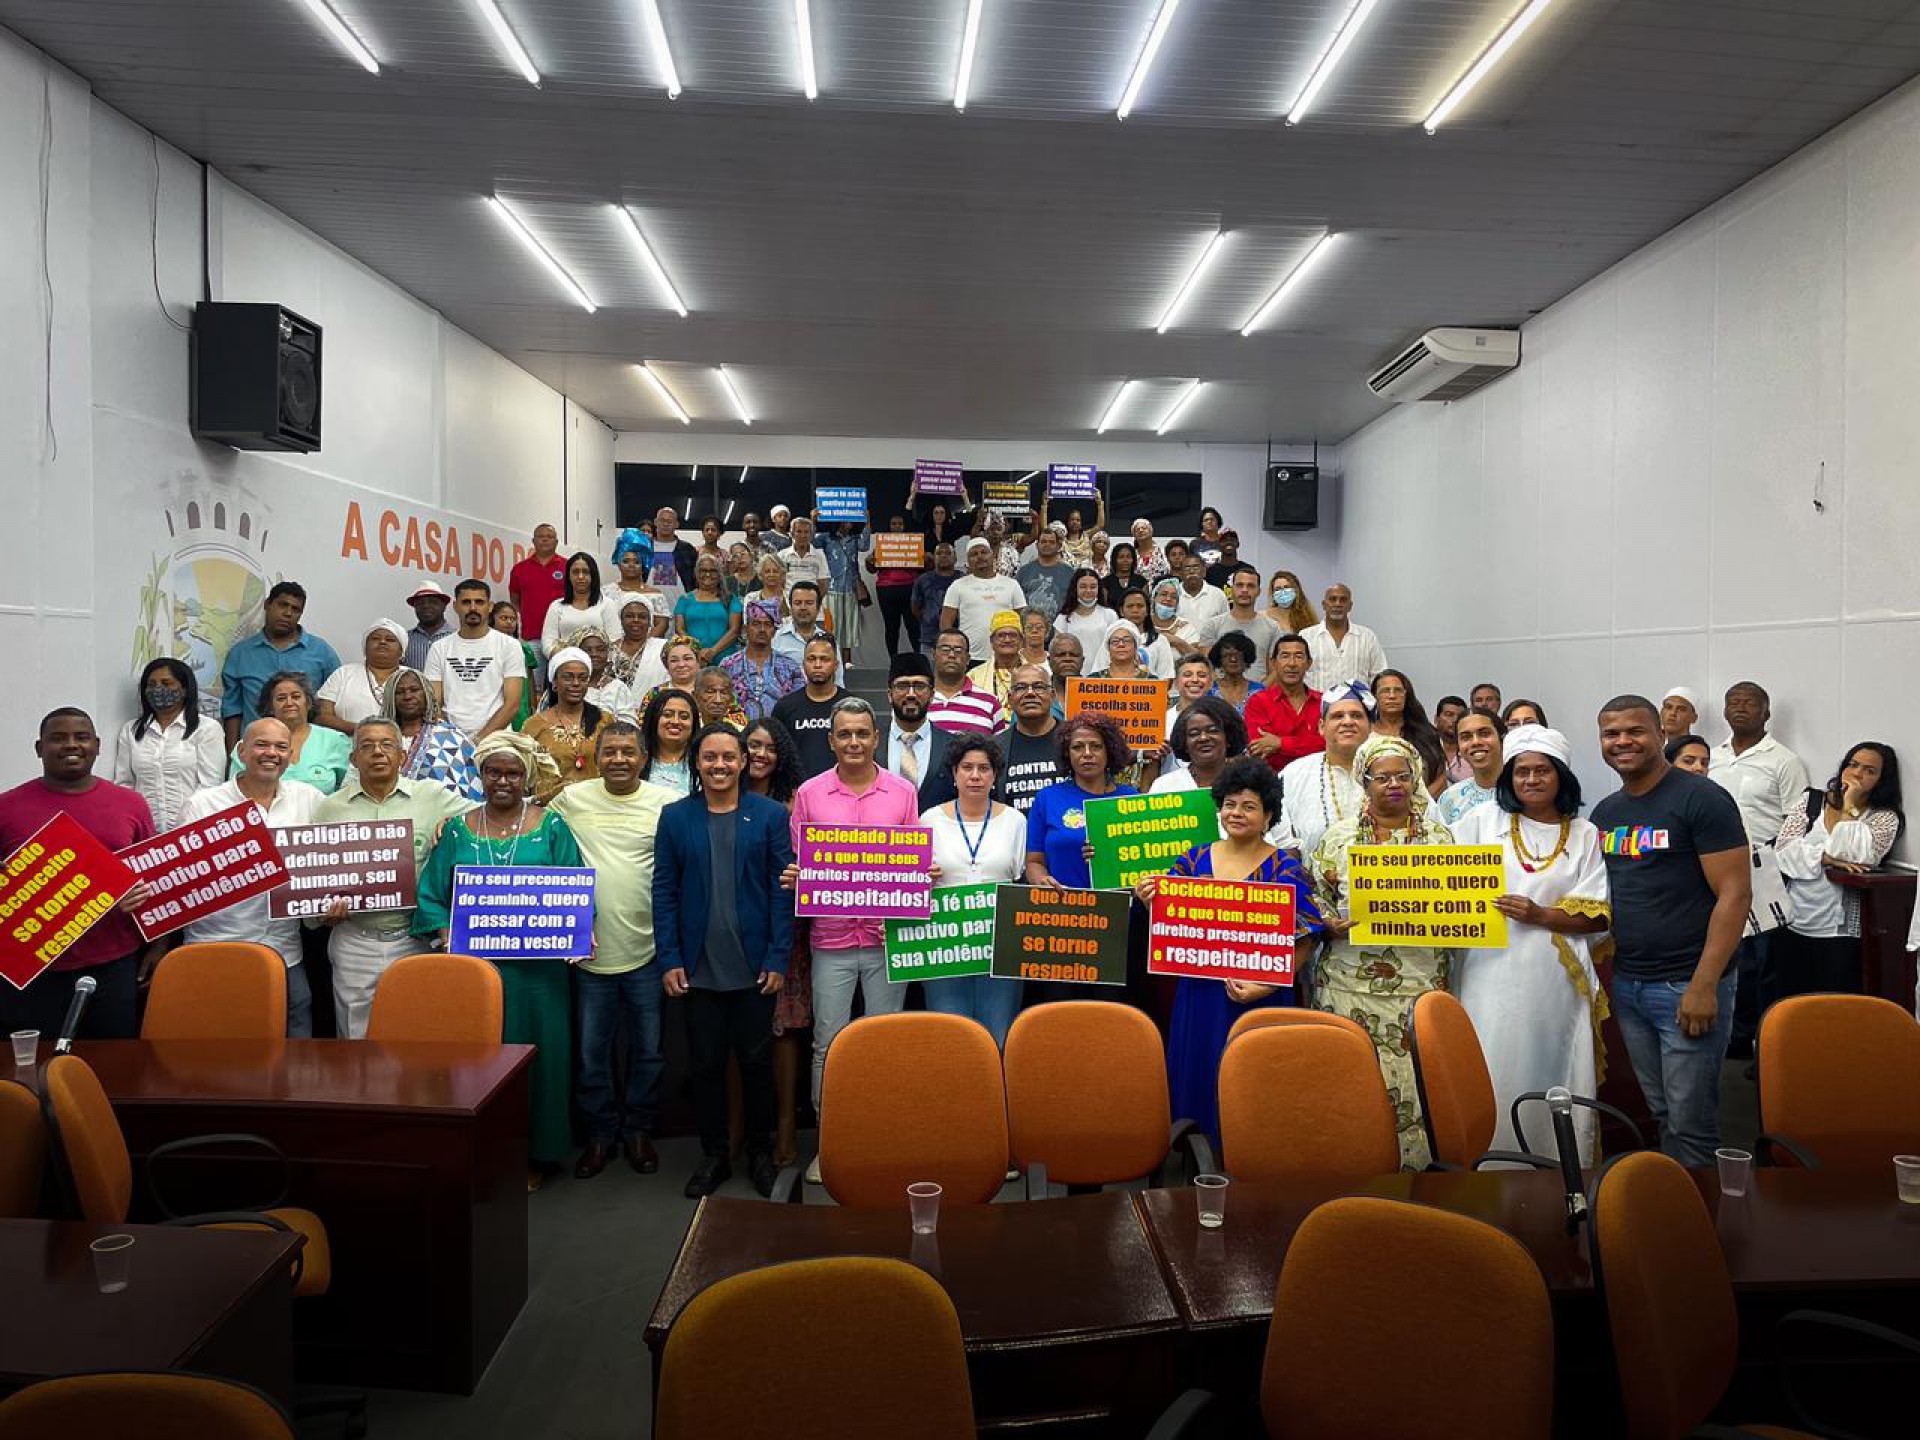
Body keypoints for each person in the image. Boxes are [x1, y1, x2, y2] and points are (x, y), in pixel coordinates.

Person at [413, 731, 580, 1189]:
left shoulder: (552, 826)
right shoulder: (459, 828)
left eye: (512, 772)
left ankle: (535, 1155)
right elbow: (430, 896)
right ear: (480, 774)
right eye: (493, 771)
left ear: (526, 777)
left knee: (540, 1063)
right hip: (476, 974)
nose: (502, 780)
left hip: (540, 977)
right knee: (480, 1064)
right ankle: (487, 1153)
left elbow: (576, 890)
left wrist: (577, 932)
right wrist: (444, 930)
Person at [1591, 694, 1751, 1167]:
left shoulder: (1701, 798)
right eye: (1611, 733)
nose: (1623, 741)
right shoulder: (1605, 813)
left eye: (1635, 731)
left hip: (1687, 983)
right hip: (1631, 984)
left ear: (1662, 735)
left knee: (1691, 1124)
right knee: (1661, 1112)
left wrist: (1704, 986)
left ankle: (1701, 1231)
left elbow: (1735, 896)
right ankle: (1675, 1213)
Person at [1452, 726, 1613, 1163]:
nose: (1531, 780)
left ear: (1561, 776)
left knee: (1551, 1063)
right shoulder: (1480, 822)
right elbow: (1440, 879)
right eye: (1521, 772)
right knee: (1489, 1060)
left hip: (1554, 981)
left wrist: (1540, 915)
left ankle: (1556, 1162)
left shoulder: (1582, 832)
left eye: (1543, 771)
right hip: (1487, 971)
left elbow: (1597, 911)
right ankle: (1486, 1162)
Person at [1139, 758, 1321, 1140]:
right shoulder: (1193, 859)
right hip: (1201, 994)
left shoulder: (1285, 869)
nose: (1237, 813)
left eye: (1249, 806)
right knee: (1199, 1073)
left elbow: (1304, 940)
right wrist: (1149, 899)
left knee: (1254, 1088)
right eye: (1230, 804)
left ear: (1269, 814)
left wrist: (1271, 984)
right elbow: (1170, 923)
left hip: (1261, 995)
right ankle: (1193, 1156)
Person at [786, 698, 923, 1182]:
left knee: (883, 1042)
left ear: (875, 737)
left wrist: (918, 875)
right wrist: (798, 876)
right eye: (844, 734)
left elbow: (911, 861)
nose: (854, 743)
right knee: (829, 1045)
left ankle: (882, 1140)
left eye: (862, 733)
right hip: (832, 937)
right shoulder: (809, 793)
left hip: (888, 937)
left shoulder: (902, 792)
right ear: (830, 740)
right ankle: (832, 1145)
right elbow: (805, 862)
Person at [654, 723, 794, 1197]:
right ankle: (714, 1156)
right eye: (709, 757)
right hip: (697, 969)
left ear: (742, 762)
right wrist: (670, 957)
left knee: (757, 1066)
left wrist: (779, 956)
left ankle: (760, 1153)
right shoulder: (675, 817)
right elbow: (664, 892)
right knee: (707, 1067)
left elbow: (782, 893)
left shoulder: (771, 815)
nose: (719, 765)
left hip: (755, 967)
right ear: (697, 762)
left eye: (728, 757)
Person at [1310, 734, 1456, 1170]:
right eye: (1382, 778)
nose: (1393, 785)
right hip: (1347, 981)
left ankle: (1417, 1176)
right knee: (1352, 1078)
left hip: (1418, 980)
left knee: (1416, 1081)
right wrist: (1325, 923)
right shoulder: (1336, 839)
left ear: (1415, 780)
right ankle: (1351, 1169)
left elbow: (1459, 902)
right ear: (1364, 782)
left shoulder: (1441, 839)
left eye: (1403, 776)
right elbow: (1314, 899)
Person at [547, 721, 674, 1179]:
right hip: (587, 952)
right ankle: (600, 1135)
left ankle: (638, 1131)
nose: (619, 759)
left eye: (628, 752)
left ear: (644, 758)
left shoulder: (666, 803)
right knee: (591, 1054)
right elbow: (525, 819)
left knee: (650, 1051)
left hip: (649, 949)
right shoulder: (572, 799)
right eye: (610, 752)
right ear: (596, 757)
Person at [0, 709, 157, 1040]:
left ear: (97, 746)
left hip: (114, 961)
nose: (71, 745)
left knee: (113, 1068)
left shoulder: (130, 804)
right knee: (35, 1074)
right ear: (39, 748)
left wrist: (158, 945)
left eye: (81, 737)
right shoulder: (6, 807)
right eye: (58, 738)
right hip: (33, 969)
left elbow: (154, 875)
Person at [312, 718, 466, 1038]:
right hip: (355, 940)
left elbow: (487, 817)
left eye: (386, 745)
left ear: (402, 756)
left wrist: (454, 821)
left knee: (421, 1035)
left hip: (416, 940)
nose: (377, 753)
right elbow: (312, 879)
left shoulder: (434, 796)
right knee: (356, 1039)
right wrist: (322, 913)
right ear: (354, 760)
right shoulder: (329, 809)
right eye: (366, 746)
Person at [182, 718, 327, 1034]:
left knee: (295, 1036)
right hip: (214, 946)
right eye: (261, 744)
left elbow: (332, 861)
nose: (271, 753)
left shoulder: (311, 799)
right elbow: (176, 879)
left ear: (291, 755)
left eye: (281, 747)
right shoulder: (203, 804)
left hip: (284, 949)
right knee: (220, 1040)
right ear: (241, 751)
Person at [1709, 680, 1809, 1054]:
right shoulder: (1712, 756)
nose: (1740, 708)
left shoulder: (1784, 761)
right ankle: (1728, 1034)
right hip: (1713, 869)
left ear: (1766, 713)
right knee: (1722, 953)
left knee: (1761, 961)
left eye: (1749, 703)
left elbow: (1797, 819)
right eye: (1733, 702)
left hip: (1762, 868)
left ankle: (1760, 1042)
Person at [918, 735, 1030, 1046]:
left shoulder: (1016, 822)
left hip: (1001, 946)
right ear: (954, 774)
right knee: (949, 1035)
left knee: (998, 1033)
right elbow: (913, 886)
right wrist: (921, 880)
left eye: (984, 768)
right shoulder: (929, 820)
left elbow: (1020, 876)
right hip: (943, 945)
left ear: (995, 776)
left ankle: (996, 1095)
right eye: (967, 767)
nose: (975, 775)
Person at [1773, 743, 1904, 997]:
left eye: (1869, 770)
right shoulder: (1812, 801)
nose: (1856, 774)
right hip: (1793, 921)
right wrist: (1824, 858)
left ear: (1882, 780)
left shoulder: (1884, 818)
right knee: (1787, 1003)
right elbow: (1784, 852)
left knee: (1831, 1006)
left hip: (1838, 931)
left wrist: (1848, 806)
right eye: (1852, 765)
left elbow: (1850, 855)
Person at [742, 716, 812, 1165]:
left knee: (785, 1031)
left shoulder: (798, 800)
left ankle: (786, 1129)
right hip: (738, 927)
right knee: (740, 1034)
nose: (759, 754)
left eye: (768, 747)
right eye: (751, 745)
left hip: (787, 925)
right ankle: (739, 1132)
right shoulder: (722, 795)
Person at [220, 581, 341, 751]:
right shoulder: (241, 654)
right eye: (282, 605)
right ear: (267, 605)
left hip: (309, 752)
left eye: (295, 609)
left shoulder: (321, 652)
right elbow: (232, 710)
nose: (288, 613)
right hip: (257, 750)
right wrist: (233, 755)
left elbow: (333, 706)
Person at [1025, 711, 1138, 891]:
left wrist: (1110, 856)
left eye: (1096, 746)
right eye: (1077, 747)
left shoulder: (1130, 798)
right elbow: (1034, 862)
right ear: (1066, 753)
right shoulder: (1047, 798)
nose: (1087, 754)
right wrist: (1043, 881)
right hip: (1060, 909)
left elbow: (1143, 861)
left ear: (1109, 751)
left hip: (1118, 908)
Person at [114, 658, 226, 830]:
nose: (158, 689)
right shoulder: (130, 730)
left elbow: (210, 786)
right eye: (151, 684)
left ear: (185, 689)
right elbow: (124, 784)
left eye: (167, 683)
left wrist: (183, 826)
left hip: (193, 830)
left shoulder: (207, 729)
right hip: (144, 832)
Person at [1273, 681, 1373, 862]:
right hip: (1311, 886)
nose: (1348, 722)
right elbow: (1279, 841)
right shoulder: (1294, 774)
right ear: (1321, 727)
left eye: (1357, 716)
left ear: (1370, 727)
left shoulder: (1393, 772)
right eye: (1337, 716)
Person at [425, 579, 526, 741]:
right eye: (466, 602)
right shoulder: (439, 648)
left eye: (479, 602)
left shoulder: (509, 645)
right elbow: (433, 702)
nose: (473, 608)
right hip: (449, 741)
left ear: (490, 606)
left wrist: (479, 740)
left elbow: (512, 704)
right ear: (455, 606)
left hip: (496, 739)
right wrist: (456, 742)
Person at [238, 671, 350, 795]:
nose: (289, 703)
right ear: (270, 707)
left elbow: (348, 791)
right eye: (281, 698)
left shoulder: (336, 741)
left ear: (308, 703)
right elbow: (236, 794)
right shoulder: (249, 744)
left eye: (296, 697)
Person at [382, 666, 481, 802]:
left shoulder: (451, 737)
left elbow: (469, 789)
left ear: (426, 694)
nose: (407, 696)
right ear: (390, 698)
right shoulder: (379, 738)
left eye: (414, 690)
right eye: (399, 692)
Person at [522, 647, 606, 800]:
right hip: (549, 809)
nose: (576, 683)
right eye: (568, 677)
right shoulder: (533, 725)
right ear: (554, 682)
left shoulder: (604, 720)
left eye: (582, 678)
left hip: (595, 806)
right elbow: (524, 775)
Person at [875, 652, 957, 808]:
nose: (911, 694)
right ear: (889, 695)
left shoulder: (953, 746)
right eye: (902, 686)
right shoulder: (871, 744)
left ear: (932, 695)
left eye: (919, 686)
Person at [940, 537, 1027, 664]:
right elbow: (946, 622)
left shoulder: (1011, 585)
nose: (980, 557)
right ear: (968, 561)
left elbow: (1024, 620)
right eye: (974, 554)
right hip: (970, 657)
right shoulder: (957, 586)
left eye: (984, 552)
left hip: (1006, 655)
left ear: (992, 556)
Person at [771, 637, 850, 777]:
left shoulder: (851, 705)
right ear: (803, 664)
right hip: (797, 791)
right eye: (811, 659)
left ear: (836, 665)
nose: (817, 664)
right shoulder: (785, 707)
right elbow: (777, 755)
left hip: (843, 789)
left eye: (824, 659)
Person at [316, 620, 408, 735]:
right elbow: (322, 716)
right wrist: (360, 731)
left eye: (390, 640)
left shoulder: (411, 677)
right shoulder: (344, 673)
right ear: (365, 647)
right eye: (375, 639)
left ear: (402, 650)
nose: (382, 642)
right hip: (344, 745)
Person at [1244, 633, 1320, 772]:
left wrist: (1280, 743)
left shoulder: (1323, 702)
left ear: (1309, 663)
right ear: (1273, 663)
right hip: (1273, 781)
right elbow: (1260, 751)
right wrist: (1310, 744)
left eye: (1298, 656)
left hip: (1318, 779)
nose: (1292, 663)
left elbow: (1330, 745)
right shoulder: (1258, 702)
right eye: (1285, 656)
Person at [721, 598, 805, 721]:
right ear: (745, 629)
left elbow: (798, 705)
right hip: (737, 735)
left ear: (775, 631)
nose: (762, 629)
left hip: (780, 733)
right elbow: (721, 702)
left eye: (767, 624)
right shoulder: (728, 665)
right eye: (756, 624)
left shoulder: (790, 666)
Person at [995, 664, 1064, 811]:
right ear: (1010, 699)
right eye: (1020, 687)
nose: (1030, 693)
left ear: (1052, 696)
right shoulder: (995, 748)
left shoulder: (1074, 741)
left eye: (1039, 686)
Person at [1371, 669, 1449, 799]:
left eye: (1398, 690)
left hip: (1423, 810)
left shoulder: (1425, 733)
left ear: (1406, 695)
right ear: (1375, 696)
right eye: (1385, 691)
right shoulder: (1365, 734)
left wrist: (1417, 804)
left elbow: (1441, 778)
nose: (1392, 696)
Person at [1299, 584, 1386, 693]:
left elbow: (1379, 677)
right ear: (1324, 605)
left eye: (1343, 600)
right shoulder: (1306, 636)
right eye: (1332, 599)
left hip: (1357, 707)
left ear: (1350, 606)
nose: (1337, 604)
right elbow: (1297, 674)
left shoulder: (1367, 637)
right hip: (1316, 707)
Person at [1151, 697, 1244, 794]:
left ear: (1229, 737)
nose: (1203, 738)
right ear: (1184, 743)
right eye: (1194, 733)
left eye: (1212, 731)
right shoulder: (1164, 786)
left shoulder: (1248, 782)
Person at [1205, 570, 1281, 683]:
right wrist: (1224, 692)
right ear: (1231, 590)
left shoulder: (1272, 627)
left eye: (1250, 586)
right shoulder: (1213, 625)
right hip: (1220, 697)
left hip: (1259, 697)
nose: (1244, 590)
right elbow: (1207, 666)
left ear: (1258, 591)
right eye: (1240, 585)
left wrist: (1257, 692)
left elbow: (1275, 670)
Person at [928, 629, 1006, 736]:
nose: (951, 655)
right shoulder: (919, 698)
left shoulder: (990, 703)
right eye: (945, 649)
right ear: (933, 655)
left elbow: (1000, 748)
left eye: (958, 650)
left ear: (968, 659)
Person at [1436, 708, 1507, 825]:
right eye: (1466, 737)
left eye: (1484, 734)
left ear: (1502, 739)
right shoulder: (1450, 799)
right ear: (1458, 748)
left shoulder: (1524, 793)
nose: (1475, 742)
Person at [816, 520, 871, 665]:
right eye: (847, 519)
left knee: (849, 627)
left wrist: (867, 520)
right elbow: (811, 542)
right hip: (832, 589)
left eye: (852, 519)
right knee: (831, 628)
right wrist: (812, 519)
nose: (850, 522)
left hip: (851, 589)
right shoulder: (827, 538)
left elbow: (865, 545)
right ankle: (831, 660)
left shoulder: (854, 539)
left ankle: (847, 662)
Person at [867, 514, 923, 656]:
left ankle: (920, 659)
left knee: (914, 627)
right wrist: (869, 561)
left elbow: (924, 567)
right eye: (894, 524)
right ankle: (893, 661)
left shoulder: (913, 545)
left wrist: (925, 558)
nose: (897, 526)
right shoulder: (882, 545)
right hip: (887, 590)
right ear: (889, 527)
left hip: (910, 588)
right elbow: (872, 570)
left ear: (904, 526)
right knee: (892, 628)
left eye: (900, 523)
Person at [673, 554, 743, 664]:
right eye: (703, 570)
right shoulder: (684, 600)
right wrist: (696, 651)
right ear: (696, 573)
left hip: (726, 659)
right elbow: (680, 629)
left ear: (719, 574)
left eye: (713, 570)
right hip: (694, 659)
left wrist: (713, 651)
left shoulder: (730, 599)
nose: (708, 574)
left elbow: (735, 630)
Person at [508, 523, 568, 649]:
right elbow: (515, 600)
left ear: (556, 542)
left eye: (549, 536)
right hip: (532, 637)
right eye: (540, 536)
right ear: (533, 541)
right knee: (532, 669)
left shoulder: (568, 566)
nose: (545, 539)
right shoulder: (520, 569)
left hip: (562, 638)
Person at [772, 581, 844, 685]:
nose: (803, 608)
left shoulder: (829, 643)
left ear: (818, 608)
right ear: (790, 608)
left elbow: (838, 682)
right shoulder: (776, 639)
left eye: (809, 603)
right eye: (798, 603)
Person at [605, 528, 672, 639]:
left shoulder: (656, 595)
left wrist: (642, 645)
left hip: (648, 649)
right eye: (626, 561)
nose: (631, 565)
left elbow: (662, 625)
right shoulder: (606, 592)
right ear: (618, 563)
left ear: (644, 564)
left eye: (636, 562)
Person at [540, 552, 608, 656]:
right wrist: (569, 660)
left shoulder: (606, 604)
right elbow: (548, 643)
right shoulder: (556, 606)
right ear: (568, 576)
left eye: (586, 572)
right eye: (576, 572)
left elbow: (614, 641)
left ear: (593, 575)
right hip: (565, 665)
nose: (581, 577)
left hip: (600, 667)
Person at [490, 601, 543, 728]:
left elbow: (530, 679)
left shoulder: (524, 647)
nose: (509, 622)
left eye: (513, 619)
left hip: (521, 702)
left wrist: (533, 706)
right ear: (492, 619)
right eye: (504, 618)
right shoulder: (486, 646)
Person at [638, 687, 699, 796]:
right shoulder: (636, 761)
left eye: (684, 717)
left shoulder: (703, 763)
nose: (675, 721)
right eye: (667, 715)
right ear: (654, 719)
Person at [607, 596, 670, 693]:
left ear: (650, 622)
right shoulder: (609, 649)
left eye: (642, 617)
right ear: (621, 620)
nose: (636, 620)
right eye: (629, 616)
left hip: (652, 705)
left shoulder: (663, 648)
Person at [968, 609, 1027, 711]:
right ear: (992, 641)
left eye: (1013, 635)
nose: (1007, 640)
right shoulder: (974, 676)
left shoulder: (1037, 673)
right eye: (1001, 635)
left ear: (1021, 641)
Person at [1054, 568, 1117, 662]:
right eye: (1083, 586)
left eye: (1093, 587)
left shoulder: (1109, 615)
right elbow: (1057, 650)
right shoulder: (1063, 618)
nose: (1088, 591)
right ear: (1075, 588)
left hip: (1103, 672)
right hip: (1074, 673)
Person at [1016, 526, 1075, 622]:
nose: (1047, 544)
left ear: (1058, 546)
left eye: (1051, 542)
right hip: (1030, 628)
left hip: (1060, 628)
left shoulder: (1069, 573)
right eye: (1043, 541)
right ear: (1037, 545)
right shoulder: (1024, 572)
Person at [911, 541, 960, 656]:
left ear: (955, 558)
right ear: (933, 558)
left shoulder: (963, 580)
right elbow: (915, 608)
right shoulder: (923, 580)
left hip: (958, 639)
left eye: (948, 553)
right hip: (929, 639)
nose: (943, 556)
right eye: (939, 553)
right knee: (929, 673)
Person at [641, 637, 704, 716]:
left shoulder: (711, 691)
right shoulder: (655, 694)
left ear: (698, 662)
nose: (681, 665)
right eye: (674, 660)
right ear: (666, 665)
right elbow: (644, 724)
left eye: (687, 659)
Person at [1149, 577, 1205, 662]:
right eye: (1164, 594)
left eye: (1174, 597)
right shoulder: (1144, 622)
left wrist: (1177, 642)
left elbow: (1197, 658)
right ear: (1154, 597)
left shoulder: (1186, 627)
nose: (1168, 599)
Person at [403, 582, 456, 671]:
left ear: (444, 607)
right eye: (420, 603)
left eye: (433, 602)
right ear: (414, 607)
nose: (426, 606)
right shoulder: (405, 640)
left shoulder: (457, 638)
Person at [1206, 633, 1264, 715]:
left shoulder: (1260, 691)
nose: (1233, 659)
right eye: (1227, 655)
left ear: (1247, 659)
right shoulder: (1208, 691)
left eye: (1238, 655)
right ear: (1219, 660)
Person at [777, 515, 831, 598]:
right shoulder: (782, 555)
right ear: (792, 533)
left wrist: (815, 603)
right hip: (788, 605)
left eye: (806, 532)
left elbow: (823, 583)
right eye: (799, 531)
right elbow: (779, 583)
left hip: (812, 604)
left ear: (811, 534)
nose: (802, 535)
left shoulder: (819, 555)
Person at [1165, 654, 1217, 739]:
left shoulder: (1222, 718)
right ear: (1176, 682)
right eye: (1187, 675)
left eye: (1201, 675)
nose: (1195, 680)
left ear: (1211, 683)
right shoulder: (1164, 721)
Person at [1175, 555, 1229, 633]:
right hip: (1179, 644)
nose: (1192, 571)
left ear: (1204, 572)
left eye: (1196, 567)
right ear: (1180, 574)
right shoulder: (1173, 594)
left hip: (1211, 644)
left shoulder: (1217, 595)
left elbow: (1225, 626)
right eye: (1187, 568)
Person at [651, 507, 700, 592]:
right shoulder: (645, 547)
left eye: (670, 521)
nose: (666, 524)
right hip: (647, 602)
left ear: (677, 524)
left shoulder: (687, 549)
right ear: (655, 522)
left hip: (681, 602)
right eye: (662, 520)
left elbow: (696, 579)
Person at [694, 666, 750, 731]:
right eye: (710, 692)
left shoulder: (740, 731)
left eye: (724, 693)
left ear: (731, 699)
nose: (718, 700)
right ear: (696, 697)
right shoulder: (688, 729)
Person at [1263, 569, 1318, 635]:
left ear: (1296, 590)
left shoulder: (1307, 618)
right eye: (1278, 589)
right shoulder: (1264, 617)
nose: (1283, 592)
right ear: (1272, 593)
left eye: (1287, 587)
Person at [1434, 694, 1472, 784]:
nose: (1455, 720)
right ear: (1436, 719)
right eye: (1449, 715)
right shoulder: (1425, 749)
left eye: (1460, 716)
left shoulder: (1472, 750)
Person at [1100, 541, 1144, 612]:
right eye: (1121, 557)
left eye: (1128, 557)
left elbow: (1144, 606)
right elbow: (1104, 607)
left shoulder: (1141, 581)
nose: (1125, 560)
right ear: (1114, 560)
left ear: (1133, 560)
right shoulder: (1105, 582)